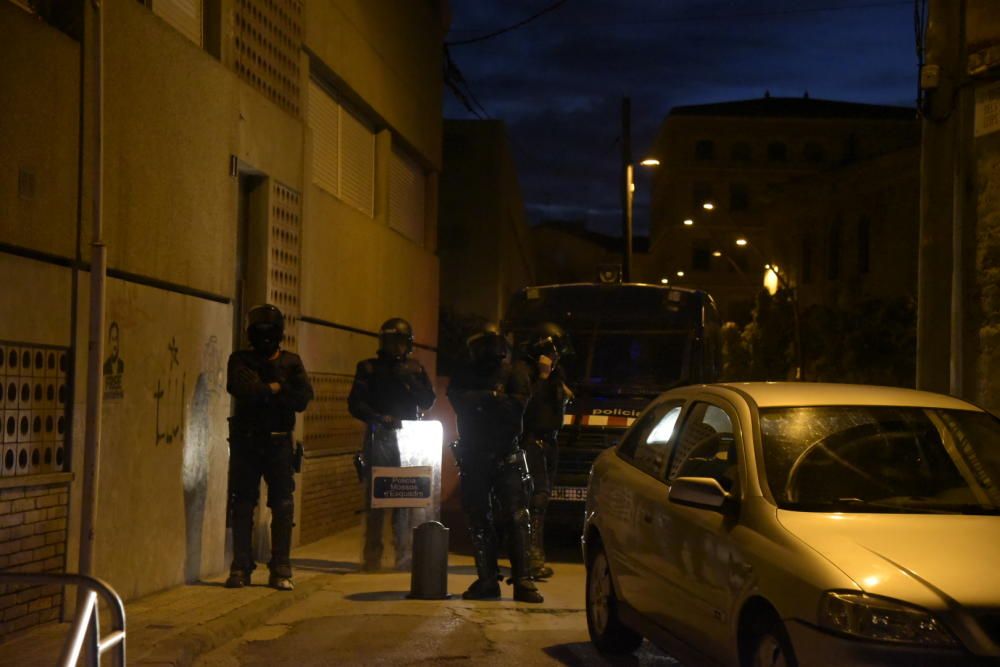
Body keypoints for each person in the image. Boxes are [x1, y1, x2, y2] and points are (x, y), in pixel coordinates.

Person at [447, 323, 543, 603]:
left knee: (516, 517)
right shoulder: (466, 374)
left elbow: (515, 409)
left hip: (506, 454)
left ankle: (523, 580)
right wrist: (492, 398)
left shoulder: (515, 373)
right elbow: (461, 402)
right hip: (475, 455)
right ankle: (488, 580)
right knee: (479, 519)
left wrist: (484, 401)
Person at [225, 304, 313, 591]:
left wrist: (270, 389)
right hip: (247, 440)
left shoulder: (291, 361)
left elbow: (301, 399)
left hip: (277, 441)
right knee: (242, 503)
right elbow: (241, 389)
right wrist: (275, 388)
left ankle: (281, 566)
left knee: (283, 505)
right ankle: (241, 566)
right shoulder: (240, 359)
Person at [348, 317, 436, 571]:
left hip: (409, 442)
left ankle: (403, 552)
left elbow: (428, 400)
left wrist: (410, 380)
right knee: (376, 499)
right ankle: (373, 554)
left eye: (399, 343)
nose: (395, 348)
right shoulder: (369, 368)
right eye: (391, 342)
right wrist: (379, 418)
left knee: (406, 496)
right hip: (380, 439)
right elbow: (356, 403)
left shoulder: (415, 369)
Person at [517, 322, 572, 580]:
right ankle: (531, 558)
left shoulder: (556, 376)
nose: (556, 356)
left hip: (550, 442)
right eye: (553, 351)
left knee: (544, 497)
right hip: (533, 441)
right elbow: (526, 407)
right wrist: (541, 377)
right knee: (536, 498)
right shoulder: (527, 373)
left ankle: (533, 555)